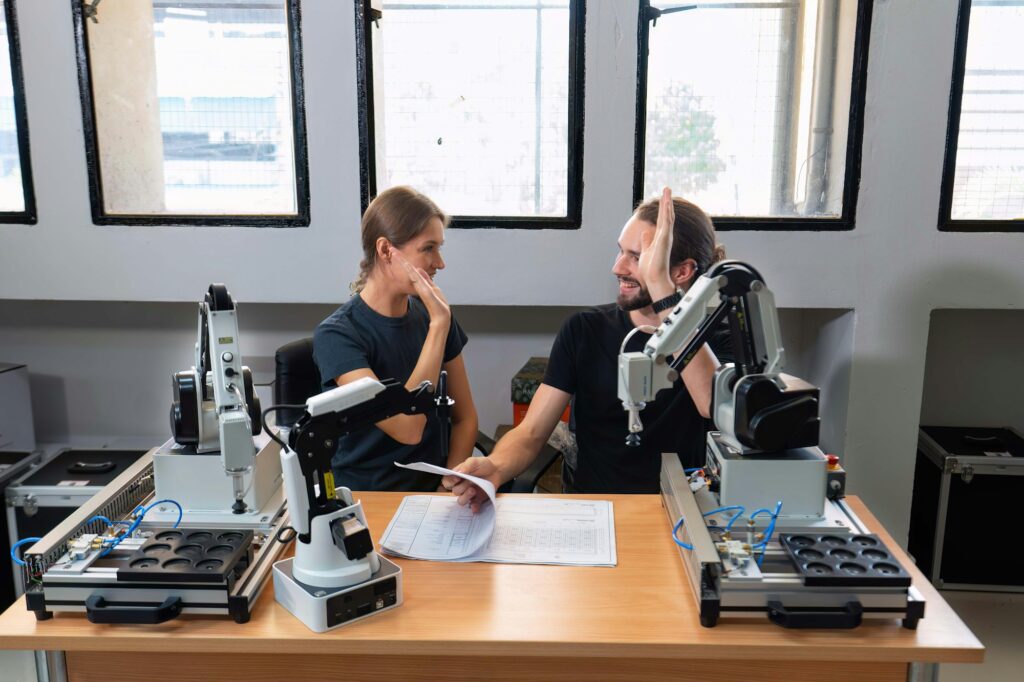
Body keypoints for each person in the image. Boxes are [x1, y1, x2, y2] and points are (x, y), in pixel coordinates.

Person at [443, 188, 729, 510]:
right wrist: (495, 468)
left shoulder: (717, 340)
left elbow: (711, 403)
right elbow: (532, 432)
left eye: (637, 258)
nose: (617, 267)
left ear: (681, 271)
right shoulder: (584, 330)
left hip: (683, 514)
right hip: (595, 510)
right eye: (620, 251)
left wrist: (663, 289)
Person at [313, 186, 478, 492]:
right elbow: (408, 427)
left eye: (439, 248)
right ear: (386, 250)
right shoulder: (337, 335)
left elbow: (466, 419)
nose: (439, 262)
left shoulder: (433, 316)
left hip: (432, 492)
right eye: (428, 248)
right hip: (368, 497)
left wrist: (449, 484)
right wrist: (439, 325)